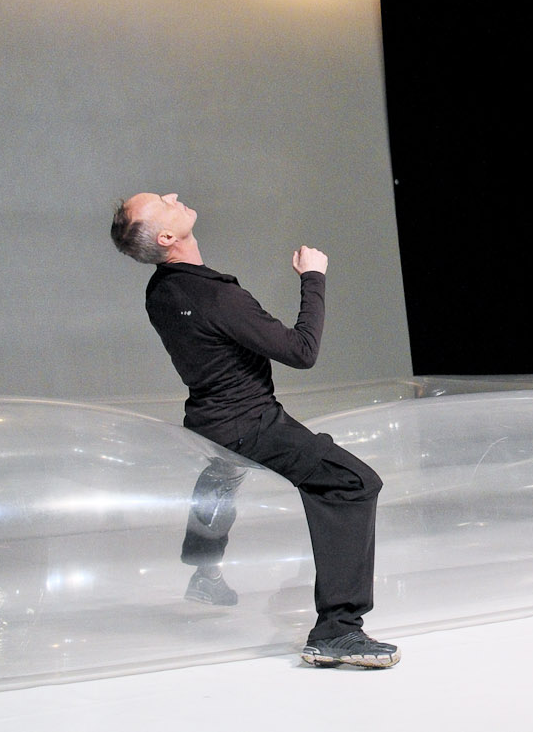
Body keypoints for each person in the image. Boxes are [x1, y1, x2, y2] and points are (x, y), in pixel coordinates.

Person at [110, 192, 399, 668]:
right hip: (250, 423)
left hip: (208, 420)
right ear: (166, 237)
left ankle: (203, 569)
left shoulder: (162, 290)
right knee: (352, 483)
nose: (174, 196)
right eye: (163, 202)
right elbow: (301, 351)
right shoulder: (216, 297)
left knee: (224, 470)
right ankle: (337, 632)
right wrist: (314, 276)